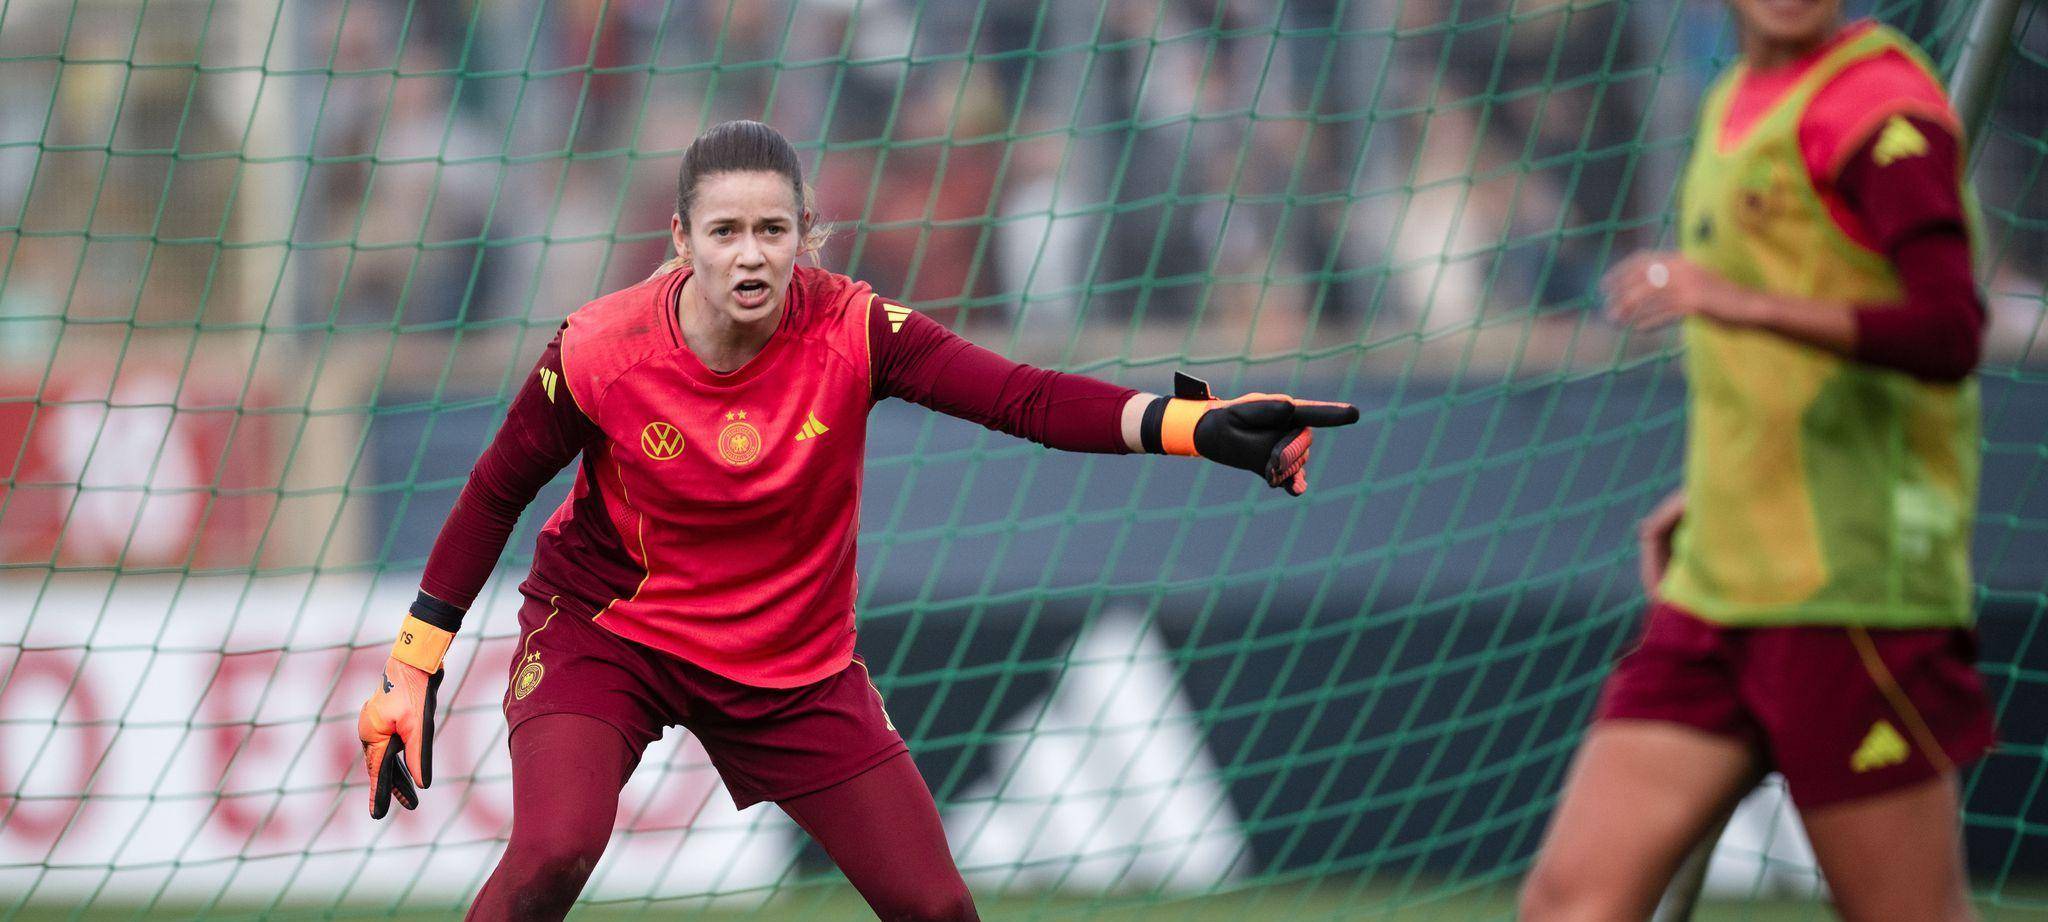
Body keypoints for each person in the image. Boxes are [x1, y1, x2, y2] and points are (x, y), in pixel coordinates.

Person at [353, 119, 1359, 922]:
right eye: (724, 232)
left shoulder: (854, 329)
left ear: (807, 237)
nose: (749, 256)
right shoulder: (597, 350)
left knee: (934, 904)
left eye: (772, 231)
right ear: (679, 241)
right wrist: (412, 665)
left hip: (791, 668)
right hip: (608, 635)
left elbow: (1024, 398)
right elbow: (494, 489)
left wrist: (1197, 424)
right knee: (553, 851)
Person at [1519, 3, 1996, 921]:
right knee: (1568, 904)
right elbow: (1777, 375)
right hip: (1717, 593)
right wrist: (1717, 488)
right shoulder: (1734, 95)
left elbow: (1949, 331)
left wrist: (1733, 301)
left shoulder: (1880, 107)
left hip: (1849, 603)